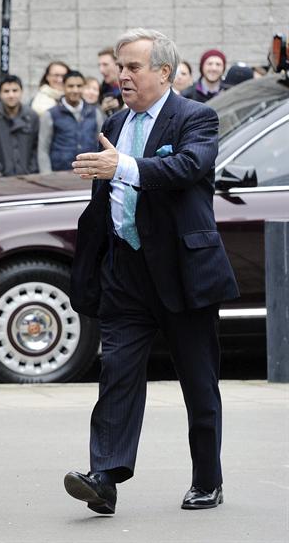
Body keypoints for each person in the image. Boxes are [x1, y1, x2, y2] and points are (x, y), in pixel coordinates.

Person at [67, 28, 239, 514]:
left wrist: (122, 166)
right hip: (126, 271)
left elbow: (187, 168)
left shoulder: (197, 118)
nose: (122, 75)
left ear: (163, 72)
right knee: (116, 373)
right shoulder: (115, 122)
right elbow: (108, 194)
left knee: (198, 382)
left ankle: (208, 478)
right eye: (120, 66)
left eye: (133, 67)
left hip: (183, 272)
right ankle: (104, 476)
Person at [38, 70, 105, 173]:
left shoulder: (94, 112)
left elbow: (102, 145)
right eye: (70, 86)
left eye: (79, 86)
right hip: (60, 174)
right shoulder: (50, 114)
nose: (75, 90)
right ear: (63, 87)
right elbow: (43, 149)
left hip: (89, 173)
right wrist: (47, 176)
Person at [97, 47, 123, 115]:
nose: (101, 70)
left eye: (105, 65)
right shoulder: (99, 91)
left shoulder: (133, 89)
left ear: (118, 65)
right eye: (99, 65)